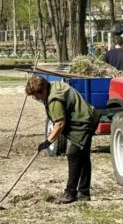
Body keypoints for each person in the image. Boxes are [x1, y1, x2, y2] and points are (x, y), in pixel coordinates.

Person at [26, 75, 100, 204]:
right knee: (83, 156)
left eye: (36, 95)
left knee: (73, 155)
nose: (36, 98)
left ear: (43, 90)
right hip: (89, 115)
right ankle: (83, 192)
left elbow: (60, 123)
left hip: (83, 122)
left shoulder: (54, 100)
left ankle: (70, 193)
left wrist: (47, 142)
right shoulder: (53, 85)